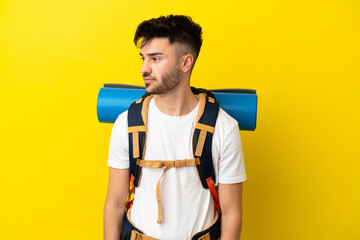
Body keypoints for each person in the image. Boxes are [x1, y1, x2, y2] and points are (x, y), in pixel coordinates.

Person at [104, 15, 246, 240]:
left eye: (155, 59)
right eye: (143, 58)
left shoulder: (223, 127)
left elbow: (231, 213)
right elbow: (115, 203)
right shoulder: (127, 123)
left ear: (186, 63)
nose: (143, 69)